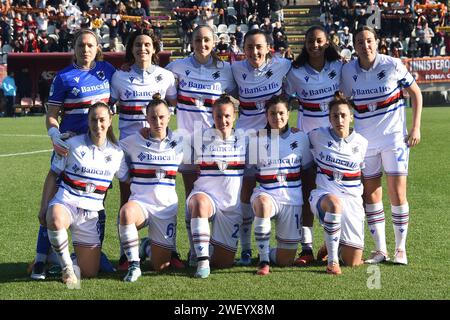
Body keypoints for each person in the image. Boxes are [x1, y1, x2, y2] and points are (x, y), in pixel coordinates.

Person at [30, 29, 116, 281]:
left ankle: (93, 252)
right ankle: (40, 259)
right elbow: (51, 115)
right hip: (69, 148)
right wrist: (55, 136)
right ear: (74, 48)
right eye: (81, 45)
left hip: (98, 147)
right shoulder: (64, 77)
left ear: (97, 47)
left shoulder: (107, 70)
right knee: (54, 199)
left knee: (97, 199)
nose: (85, 49)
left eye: (90, 45)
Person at [341, 26, 423, 265]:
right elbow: (343, 102)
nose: (365, 45)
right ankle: (380, 250)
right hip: (364, 143)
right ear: (354, 45)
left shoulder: (392, 64)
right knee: (371, 195)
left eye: (368, 41)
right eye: (359, 42)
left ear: (376, 42)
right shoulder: (347, 71)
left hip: (394, 139)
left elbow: (416, 94)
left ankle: (400, 249)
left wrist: (416, 128)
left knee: (397, 194)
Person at [165, 24, 237, 266]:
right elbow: (157, 85)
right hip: (187, 143)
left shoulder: (226, 69)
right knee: (192, 199)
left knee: (219, 195)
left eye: (207, 40)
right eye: (198, 40)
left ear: (214, 42)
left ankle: (218, 244)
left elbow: (238, 98)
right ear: (191, 41)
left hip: (217, 147)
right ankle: (195, 250)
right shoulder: (177, 67)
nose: (202, 44)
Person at [110, 28, 179, 271]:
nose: (143, 49)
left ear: (155, 49)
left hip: (158, 146)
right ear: (131, 49)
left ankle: (168, 247)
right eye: (138, 45)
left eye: (147, 45)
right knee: (126, 196)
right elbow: (109, 109)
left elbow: (173, 105)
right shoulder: (119, 77)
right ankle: (125, 254)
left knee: (164, 189)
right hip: (130, 147)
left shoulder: (165, 76)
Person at [46, 102, 127, 286]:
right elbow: (52, 174)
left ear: (110, 120)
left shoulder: (117, 153)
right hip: (66, 202)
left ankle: (54, 256)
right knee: (55, 217)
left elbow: (127, 178)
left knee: (89, 272)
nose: (98, 125)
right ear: (88, 121)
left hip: (91, 214)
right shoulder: (72, 143)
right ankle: (67, 268)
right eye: (93, 120)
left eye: (102, 120)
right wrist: (44, 208)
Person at [231, 29, 291, 266]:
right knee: (245, 190)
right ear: (243, 49)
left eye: (259, 47)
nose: (254, 52)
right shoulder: (235, 69)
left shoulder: (282, 65)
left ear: (268, 48)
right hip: (247, 138)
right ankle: (246, 249)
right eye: (249, 47)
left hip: (275, 138)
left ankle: (297, 242)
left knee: (277, 189)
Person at [284, 25, 343, 266]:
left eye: (319, 41)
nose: (314, 45)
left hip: (334, 136)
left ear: (327, 42)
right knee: (307, 191)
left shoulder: (339, 67)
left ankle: (332, 245)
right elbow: (283, 99)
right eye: (310, 41)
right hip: (307, 136)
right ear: (305, 44)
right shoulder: (295, 71)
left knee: (336, 190)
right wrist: (290, 128)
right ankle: (306, 248)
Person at [118, 94, 185, 282]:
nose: (157, 121)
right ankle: (134, 266)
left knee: (160, 267)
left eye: (161, 117)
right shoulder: (133, 141)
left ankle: (147, 246)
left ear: (169, 116)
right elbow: (112, 150)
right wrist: (124, 175)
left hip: (166, 208)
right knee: (126, 213)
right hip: (141, 203)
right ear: (146, 118)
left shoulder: (181, 141)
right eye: (153, 117)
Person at [250, 95, 314, 275]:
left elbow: (307, 171)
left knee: (285, 261)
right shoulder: (257, 139)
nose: (277, 118)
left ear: (289, 113)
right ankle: (263, 261)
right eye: (272, 113)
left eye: (281, 113)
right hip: (266, 193)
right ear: (266, 115)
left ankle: (268, 253)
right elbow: (251, 175)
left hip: (292, 200)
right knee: (262, 204)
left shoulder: (300, 137)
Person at [308, 91, 368, 275]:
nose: (339, 119)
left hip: (352, 201)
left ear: (351, 116)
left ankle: (330, 243)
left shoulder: (362, 142)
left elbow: (363, 176)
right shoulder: (316, 136)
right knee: (335, 204)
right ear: (329, 118)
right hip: (324, 197)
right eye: (335, 115)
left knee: (353, 262)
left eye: (343, 115)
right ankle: (333, 262)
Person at [186, 94, 246, 278]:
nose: (223, 120)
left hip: (229, 207)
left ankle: (202, 249)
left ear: (234, 115)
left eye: (227, 116)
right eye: (218, 116)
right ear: (212, 115)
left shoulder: (246, 139)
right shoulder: (197, 138)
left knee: (223, 263)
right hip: (204, 197)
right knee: (200, 203)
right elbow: (184, 168)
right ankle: (202, 262)